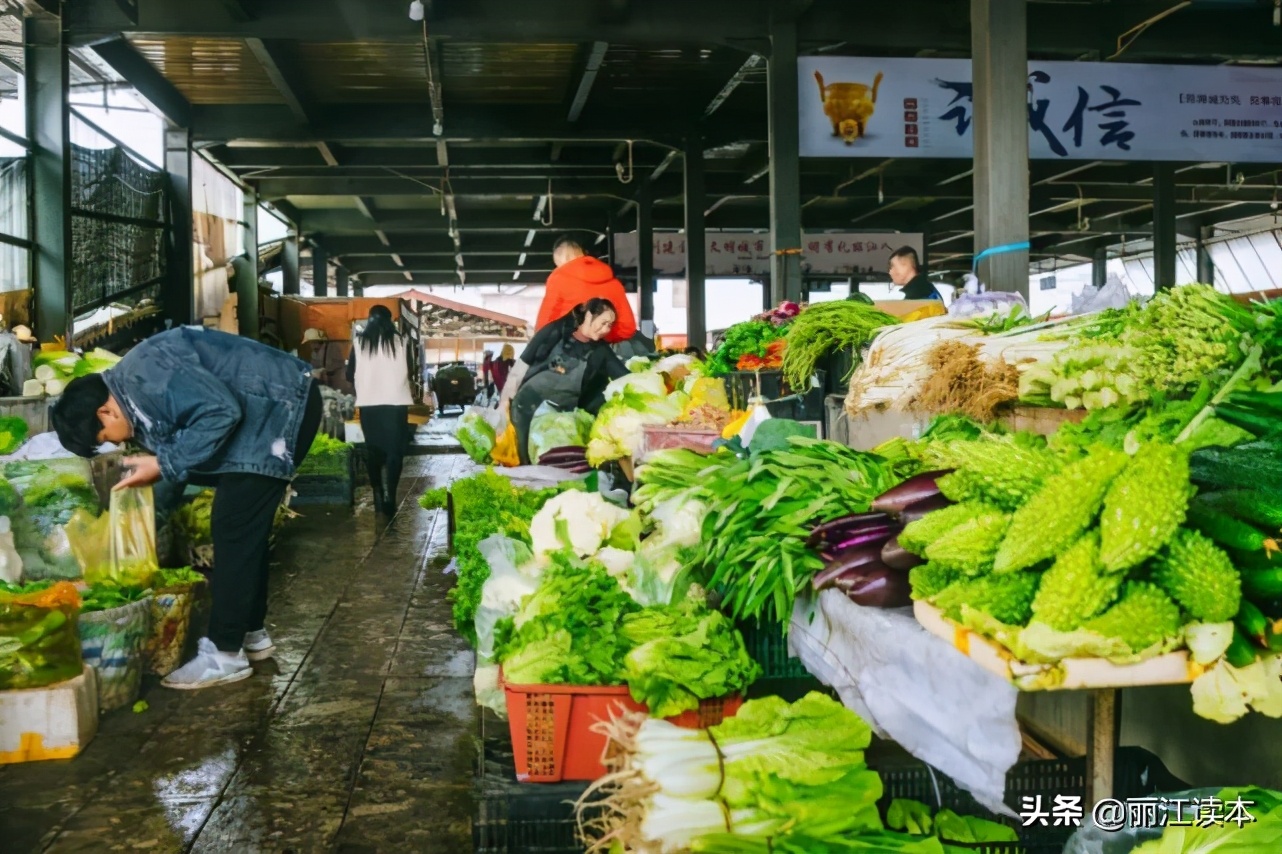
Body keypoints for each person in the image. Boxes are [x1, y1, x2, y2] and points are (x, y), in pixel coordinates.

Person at [50, 327, 322, 690]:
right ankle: (249, 633)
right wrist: (127, 535)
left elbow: (221, 412)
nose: (112, 444)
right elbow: (180, 460)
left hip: (282, 407)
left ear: (105, 411)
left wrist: (162, 464)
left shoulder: (148, 375)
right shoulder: (134, 397)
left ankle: (224, 653)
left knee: (234, 523)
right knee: (241, 525)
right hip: (270, 414)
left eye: (102, 438)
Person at [511, 298, 629, 466]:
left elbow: (626, 378)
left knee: (551, 468)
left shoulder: (601, 351)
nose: (605, 329)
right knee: (525, 467)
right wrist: (503, 404)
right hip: (527, 410)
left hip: (557, 421)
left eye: (609, 325)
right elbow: (520, 367)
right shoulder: (555, 332)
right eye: (603, 322)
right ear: (588, 316)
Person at [345, 306, 414, 517]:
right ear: (390, 320)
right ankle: (390, 498)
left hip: (369, 405)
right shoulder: (401, 342)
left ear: (369, 320)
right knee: (395, 452)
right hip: (396, 405)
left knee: (373, 450)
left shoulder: (359, 343)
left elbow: (349, 375)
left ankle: (377, 491)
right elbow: (409, 370)